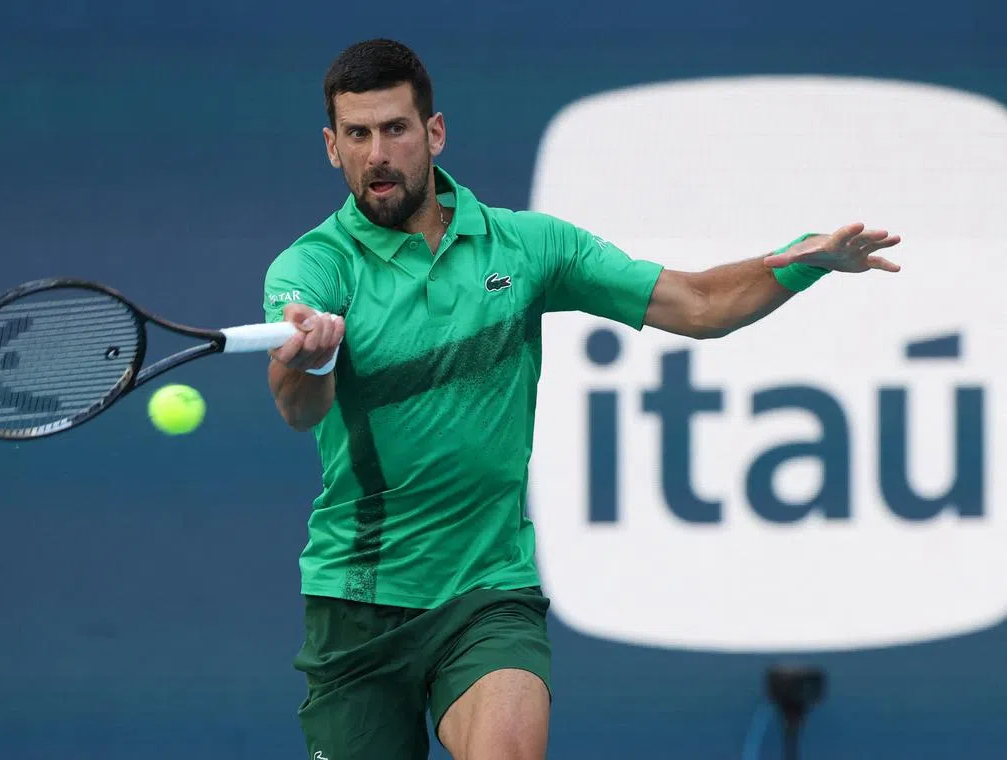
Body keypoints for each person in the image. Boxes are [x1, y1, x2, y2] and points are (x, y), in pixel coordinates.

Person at [261, 38, 901, 760]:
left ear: (433, 133)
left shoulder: (529, 249)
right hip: (359, 600)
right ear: (332, 146)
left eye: (395, 129)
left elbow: (695, 304)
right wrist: (310, 359)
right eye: (358, 134)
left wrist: (801, 263)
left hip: (486, 589)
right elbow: (297, 408)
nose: (378, 153)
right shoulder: (312, 266)